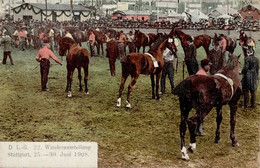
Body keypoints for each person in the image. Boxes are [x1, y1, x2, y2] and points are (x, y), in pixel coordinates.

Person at [195, 58, 212, 136]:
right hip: (201, 97)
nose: (209, 67)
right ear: (204, 66)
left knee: (199, 114)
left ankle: (198, 130)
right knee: (201, 114)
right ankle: (198, 130)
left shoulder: (200, 72)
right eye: (208, 66)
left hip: (198, 97)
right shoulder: (203, 75)